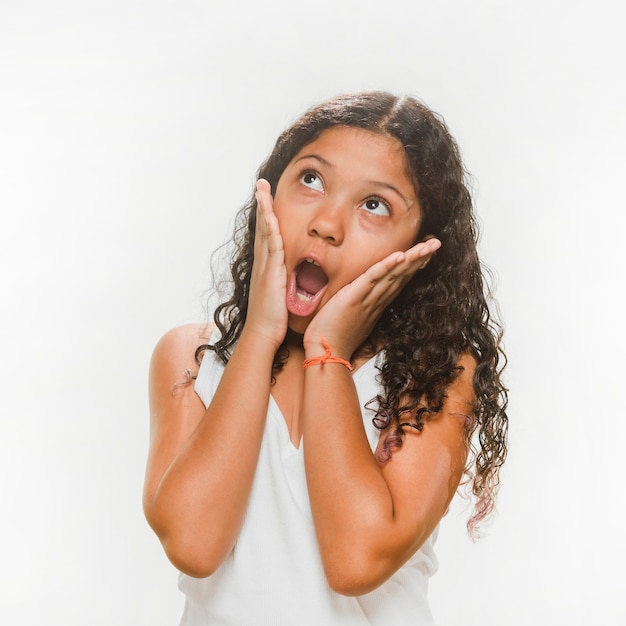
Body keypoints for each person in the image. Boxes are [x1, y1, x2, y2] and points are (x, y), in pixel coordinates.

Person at [143, 91, 508, 625]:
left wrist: (329, 354)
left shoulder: (435, 379)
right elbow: (195, 547)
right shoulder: (192, 358)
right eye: (311, 179)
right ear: (269, 191)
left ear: (419, 251)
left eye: (374, 205)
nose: (327, 223)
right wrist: (262, 331)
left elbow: (356, 561)